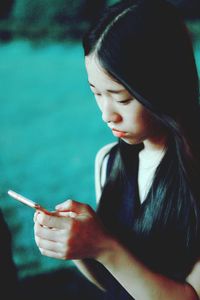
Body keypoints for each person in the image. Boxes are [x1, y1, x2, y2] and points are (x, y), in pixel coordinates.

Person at [33, 0, 200, 299]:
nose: (107, 114)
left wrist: (103, 245)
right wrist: (77, 245)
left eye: (121, 98)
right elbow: (116, 285)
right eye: (96, 93)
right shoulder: (108, 161)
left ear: (163, 86)